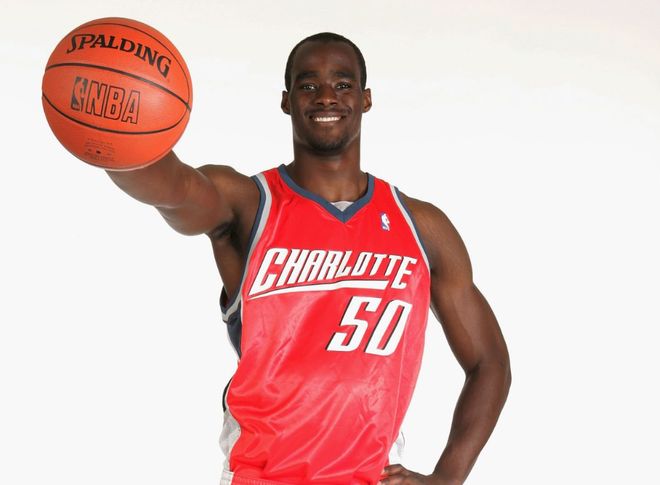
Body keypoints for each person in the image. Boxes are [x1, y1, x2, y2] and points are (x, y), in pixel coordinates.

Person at [105, 33, 511, 485]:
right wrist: (111, 134)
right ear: (286, 101)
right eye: (308, 85)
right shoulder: (247, 205)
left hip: (370, 476)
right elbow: (172, 188)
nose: (326, 97)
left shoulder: (420, 227)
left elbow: (489, 363)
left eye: (342, 84)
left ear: (366, 99)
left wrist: (447, 478)